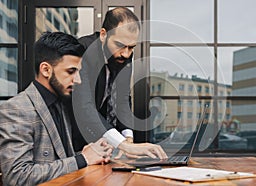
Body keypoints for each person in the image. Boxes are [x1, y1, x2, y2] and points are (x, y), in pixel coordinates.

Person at [0, 32, 113, 186]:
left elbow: (58, 160)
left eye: (79, 72)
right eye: (71, 71)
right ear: (46, 70)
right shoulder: (17, 109)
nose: (78, 80)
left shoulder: (61, 104)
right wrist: (83, 159)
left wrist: (89, 152)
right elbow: (17, 176)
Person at [73, 7, 167, 159]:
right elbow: (84, 106)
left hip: (101, 142)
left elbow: (122, 98)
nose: (126, 54)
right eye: (120, 45)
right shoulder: (82, 50)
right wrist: (123, 144)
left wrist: (128, 136)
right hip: (75, 139)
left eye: (131, 47)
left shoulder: (123, 54)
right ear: (103, 35)